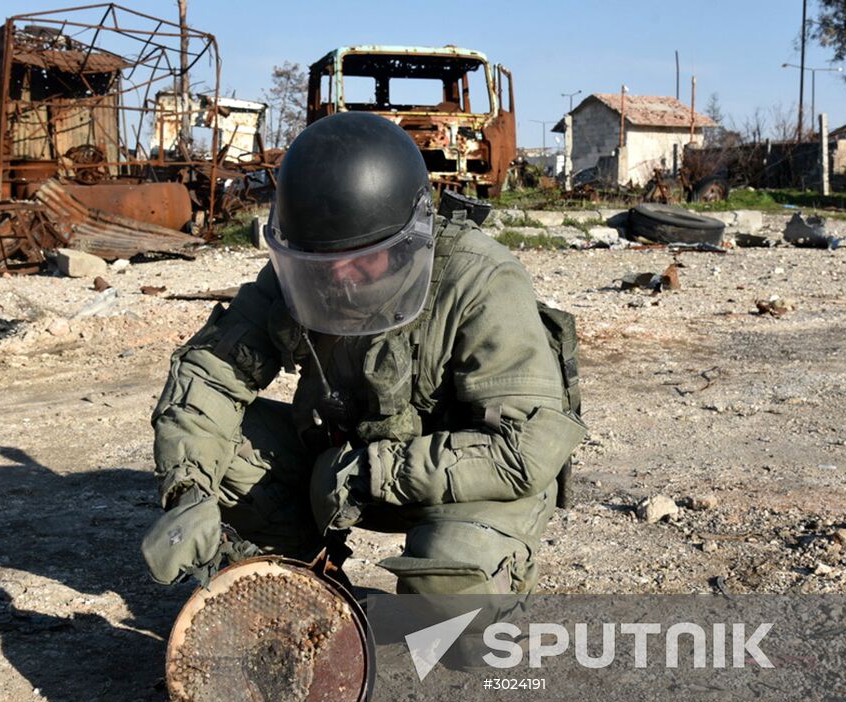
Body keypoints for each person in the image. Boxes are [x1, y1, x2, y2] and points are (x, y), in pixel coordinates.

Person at [141, 112, 585, 595]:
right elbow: (208, 375)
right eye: (321, 261)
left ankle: (445, 599)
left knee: (445, 604)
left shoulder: (481, 280)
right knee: (223, 449)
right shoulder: (309, 266)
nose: (339, 277)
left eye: (358, 258)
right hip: (340, 470)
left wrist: (373, 471)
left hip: (468, 484)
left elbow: (523, 450)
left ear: (408, 237)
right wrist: (189, 491)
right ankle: (302, 585)